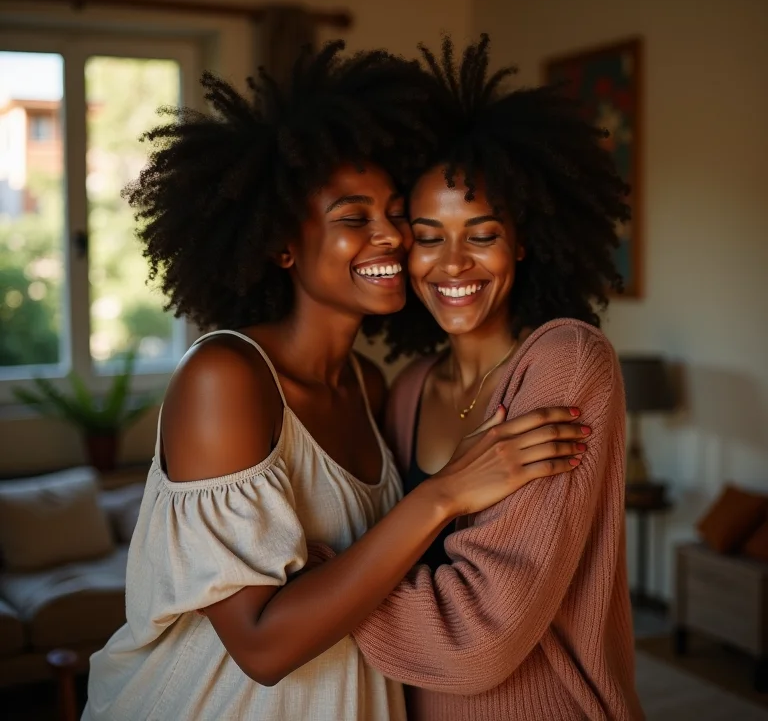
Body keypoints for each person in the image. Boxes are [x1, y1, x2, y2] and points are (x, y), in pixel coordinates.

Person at [81, 42, 589, 721]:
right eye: (354, 219)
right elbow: (263, 646)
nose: (391, 238)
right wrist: (441, 495)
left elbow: (372, 581)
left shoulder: (373, 385)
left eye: (396, 214)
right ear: (280, 244)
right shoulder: (226, 378)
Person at [352, 35, 645, 720]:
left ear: (524, 239)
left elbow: (473, 642)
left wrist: (316, 593)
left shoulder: (567, 362)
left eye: (480, 234)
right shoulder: (407, 391)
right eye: (429, 236)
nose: (452, 264)